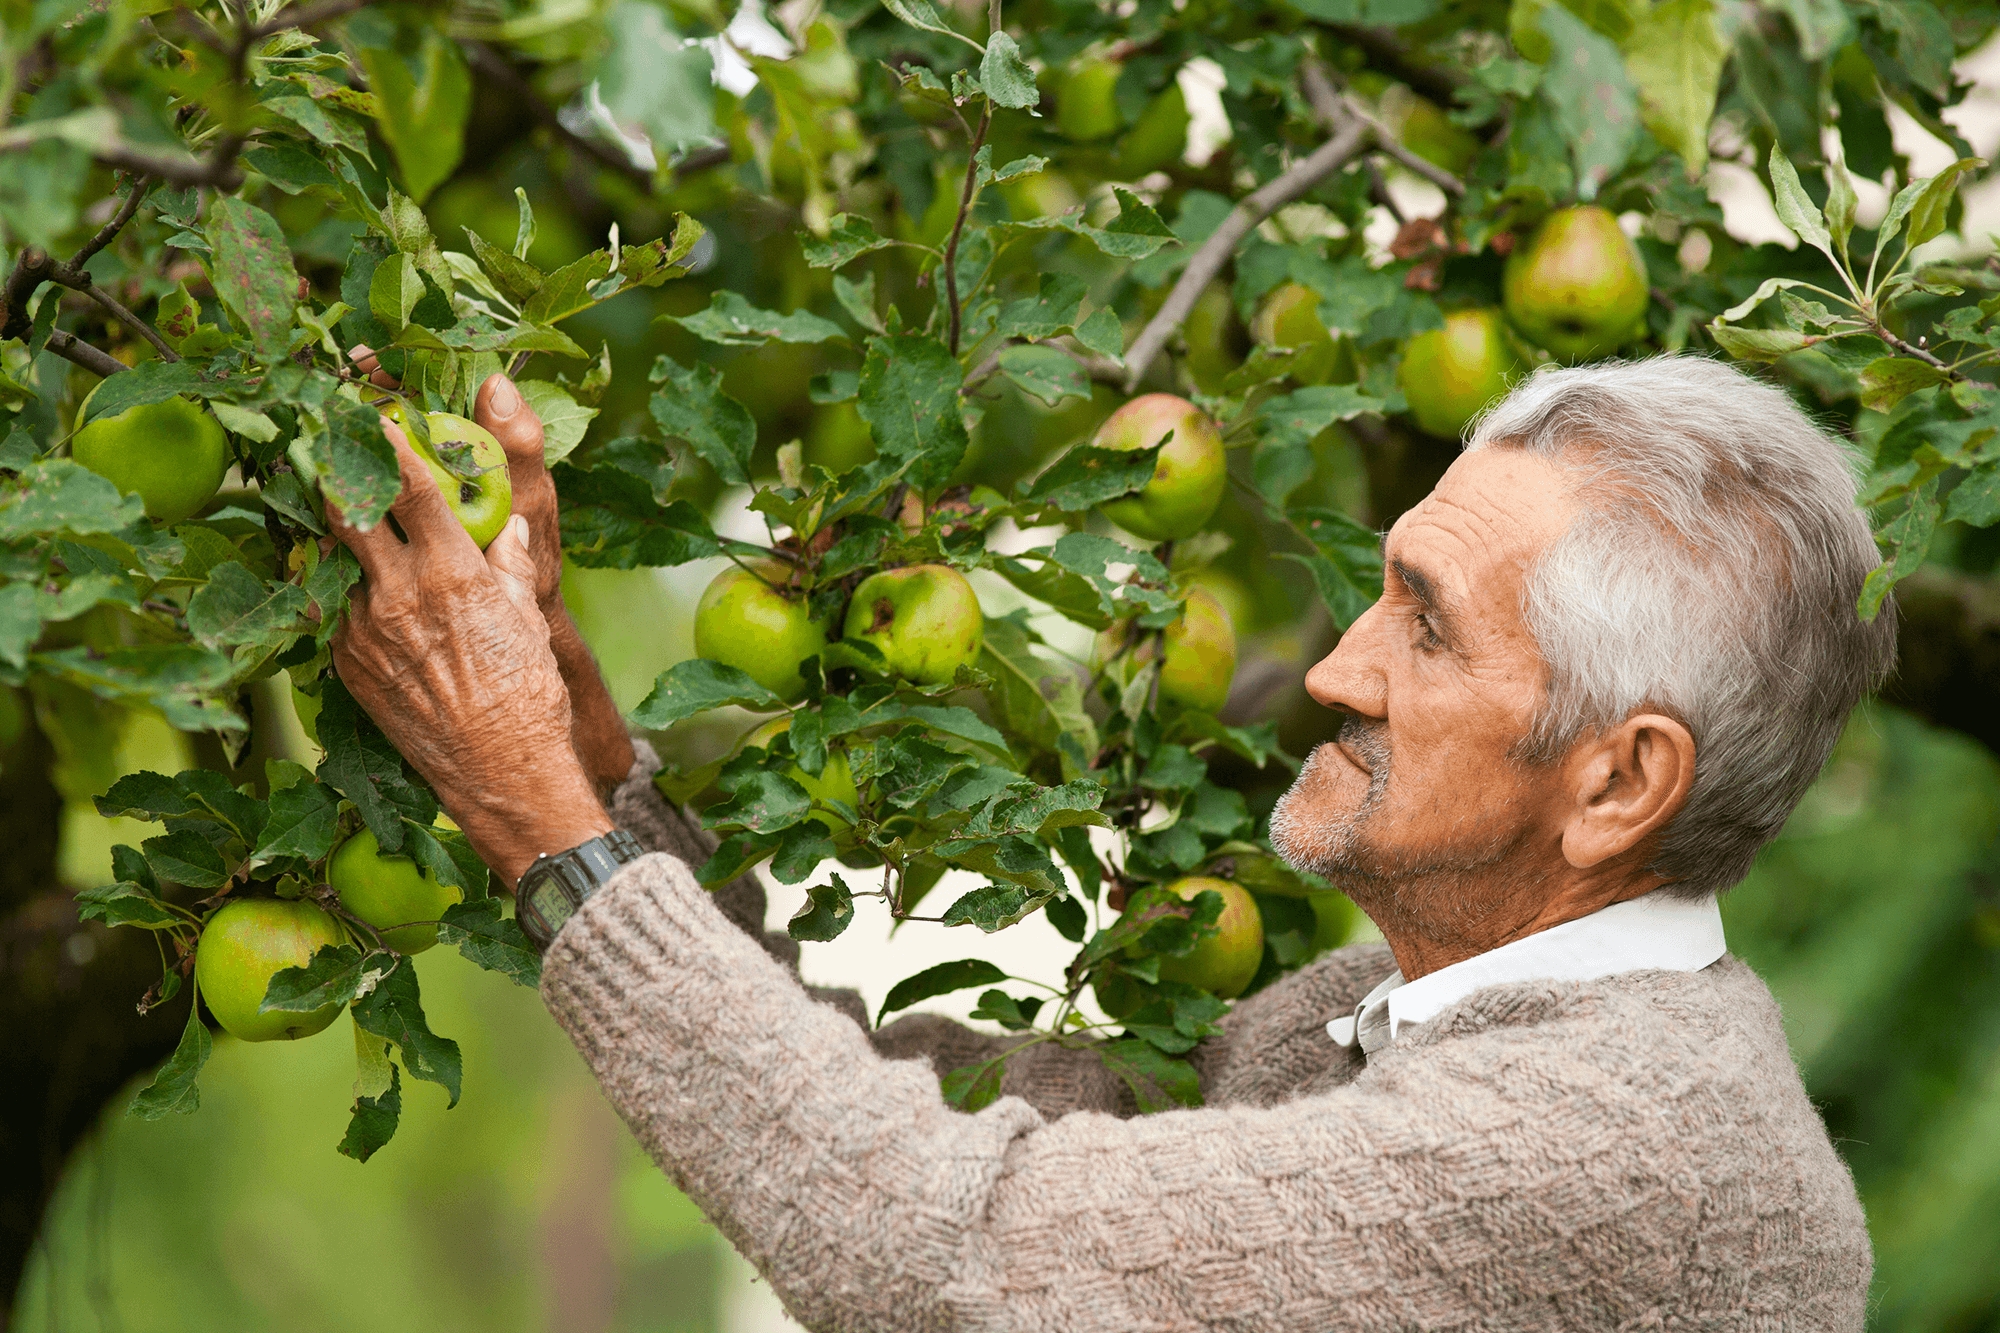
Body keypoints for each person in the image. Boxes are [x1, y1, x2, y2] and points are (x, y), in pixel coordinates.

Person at [330, 353, 1893, 1329]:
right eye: (1384, 586)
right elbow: (912, 1121)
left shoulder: (1607, 1152)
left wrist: (543, 821)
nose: (1341, 668)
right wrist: (592, 774)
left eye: (1426, 628)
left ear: (1623, 782)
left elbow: (944, 1255)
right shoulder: (1367, 1036)